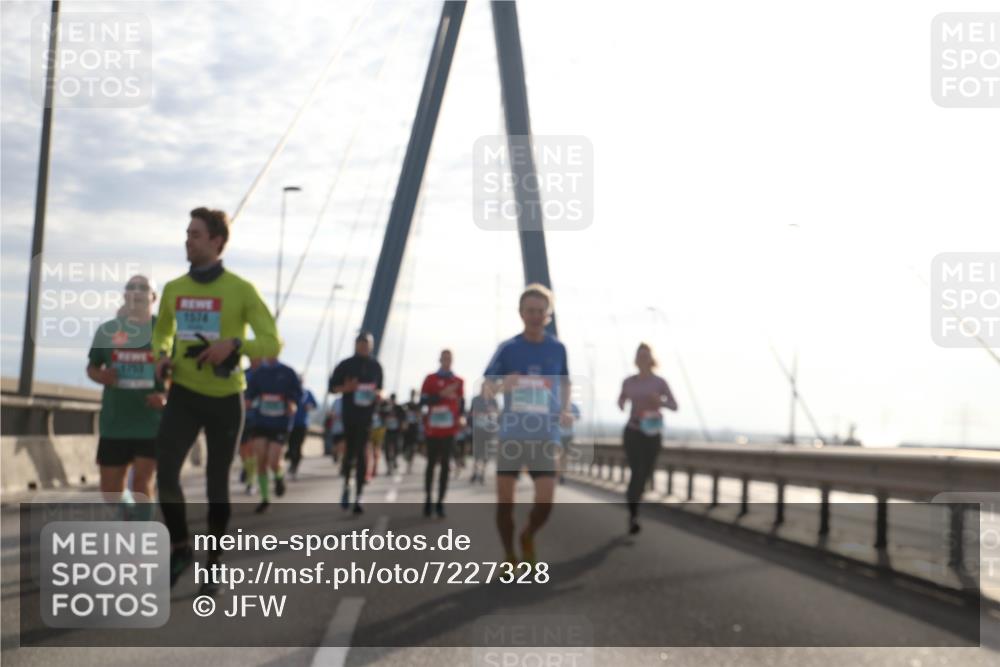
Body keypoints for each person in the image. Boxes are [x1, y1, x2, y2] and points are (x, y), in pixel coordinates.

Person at [152, 207, 281, 591]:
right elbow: (162, 333)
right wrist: (161, 356)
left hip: (225, 398)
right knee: (166, 474)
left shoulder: (241, 290)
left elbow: (273, 341)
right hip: (184, 394)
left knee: (216, 484)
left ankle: (214, 561)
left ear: (216, 241)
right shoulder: (174, 289)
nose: (187, 240)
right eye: (186, 233)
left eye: (195, 234)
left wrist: (236, 344)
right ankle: (179, 546)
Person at [484, 284, 572, 565]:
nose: (535, 316)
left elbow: (565, 382)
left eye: (540, 311)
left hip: (545, 435)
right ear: (521, 313)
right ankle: (509, 555)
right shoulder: (508, 349)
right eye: (529, 311)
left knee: (546, 503)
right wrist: (501, 386)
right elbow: (486, 388)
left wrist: (566, 408)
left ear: (548, 314)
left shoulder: (557, 348)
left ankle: (528, 534)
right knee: (505, 502)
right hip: (512, 435)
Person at [86, 275, 166, 516]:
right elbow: (92, 367)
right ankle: (130, 512)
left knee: (143, 483)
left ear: (153, 297)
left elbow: (180, 371)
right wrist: (103, 377)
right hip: (115, 422)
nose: (137, 292)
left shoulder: (164, 330)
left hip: (151, 422)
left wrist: (167, 396)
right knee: (110, 492)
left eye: (143, 288)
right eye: (131, 287)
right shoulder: (107, 331)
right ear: (124, 295)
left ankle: (141, 541)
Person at [618, 342, 678, 534]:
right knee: (637, 472)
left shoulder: (660, 383)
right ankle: (633, 514)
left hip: (652, 433)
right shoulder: (629, 382)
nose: (643, 359)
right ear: (636, 360)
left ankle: (634, 505)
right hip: (633, 431)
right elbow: (621, 401)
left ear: (651, 359)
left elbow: (674, 405)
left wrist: (659, 401)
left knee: (645, 474)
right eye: (640, 356)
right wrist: (623, 402)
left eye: (646, 356)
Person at [328, 332, 383, 514]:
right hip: (349, 416)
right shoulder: (345, 365)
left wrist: (379, 395)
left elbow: (380, 388)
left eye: (367, 344)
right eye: (361, 344)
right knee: (349, 454)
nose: (364, 347)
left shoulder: (376, 366)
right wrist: (347, 388)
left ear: (372, 346)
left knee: (361, 454)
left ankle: (359, 495)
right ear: (356, 345)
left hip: (366, 418)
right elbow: (332, 388)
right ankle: (346, 485)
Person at [245, 357, 302, 513]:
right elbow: (249, 391)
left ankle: (278, 476)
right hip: (260, 422)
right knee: (261, 459)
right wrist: (248, 400)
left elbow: (297, 393)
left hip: (280, 423)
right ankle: (265, 499)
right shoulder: (258, 373)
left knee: (273, 461)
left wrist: (292, 402)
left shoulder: (288, 372)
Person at [420, 350, 465, 518]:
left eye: (449, 358)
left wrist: (461, 417)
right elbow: (423, 401)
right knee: (431, 464)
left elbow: (461, 403)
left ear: (452, 361)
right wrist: (440, 395)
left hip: (449, 429)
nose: (446, 361)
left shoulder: (458, 381)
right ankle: (428, 499)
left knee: (446, 465)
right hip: (432, 429)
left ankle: (440, 501)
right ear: (439, 359)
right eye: (444, 358)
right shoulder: (430, 379)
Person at [239, 357, 262, 494]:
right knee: (243, 450)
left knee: (252, 448)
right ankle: (247, 468)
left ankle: (251, 481)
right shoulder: (243, 373)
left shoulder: (266, 374)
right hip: (242, 416)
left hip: (259, 418)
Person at [286, 379, 317, 478]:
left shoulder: (308, 393)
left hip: (302, 424)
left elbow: (315, 405)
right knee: (291, 445)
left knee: (298, 445)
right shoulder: (290, 392)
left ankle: (295, 466)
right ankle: (291, 461)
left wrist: (309, 406)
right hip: (290, 423)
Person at [468, 386, 499, 484]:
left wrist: (492, 412)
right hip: (478, 429)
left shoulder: (493, 400)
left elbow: (497, 413)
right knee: (477, 452)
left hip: (489, 430)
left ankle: (482, 474)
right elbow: (471, 412)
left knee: (486, 452)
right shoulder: (476, 399)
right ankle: (474, 473)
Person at [557, 402, 581, 484]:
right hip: (558, 435)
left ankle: (561, 474)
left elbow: (578, 417)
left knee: (564, 456)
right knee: (558, 455)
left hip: (569, 435)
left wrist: (571, 417)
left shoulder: (573, 406)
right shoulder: (557, 403)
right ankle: (558, 474)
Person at [382, 393, 405, 475]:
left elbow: (403, 419)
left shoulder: (399, 408)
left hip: (396, 432)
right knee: (386, 450)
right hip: (387, 431)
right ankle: (389, 467)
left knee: (396, 448)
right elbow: (381, 415)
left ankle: (394, 460)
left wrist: (402, 427)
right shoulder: (386, 408)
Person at [402, 389, 421, 473]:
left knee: (413, 446)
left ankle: (410, 465)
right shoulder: (406, 405)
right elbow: (402, 415)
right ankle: (406, 457)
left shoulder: (418, 405)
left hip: (414, 427)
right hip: (407, 428)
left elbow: (419, 416)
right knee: (405, 445)